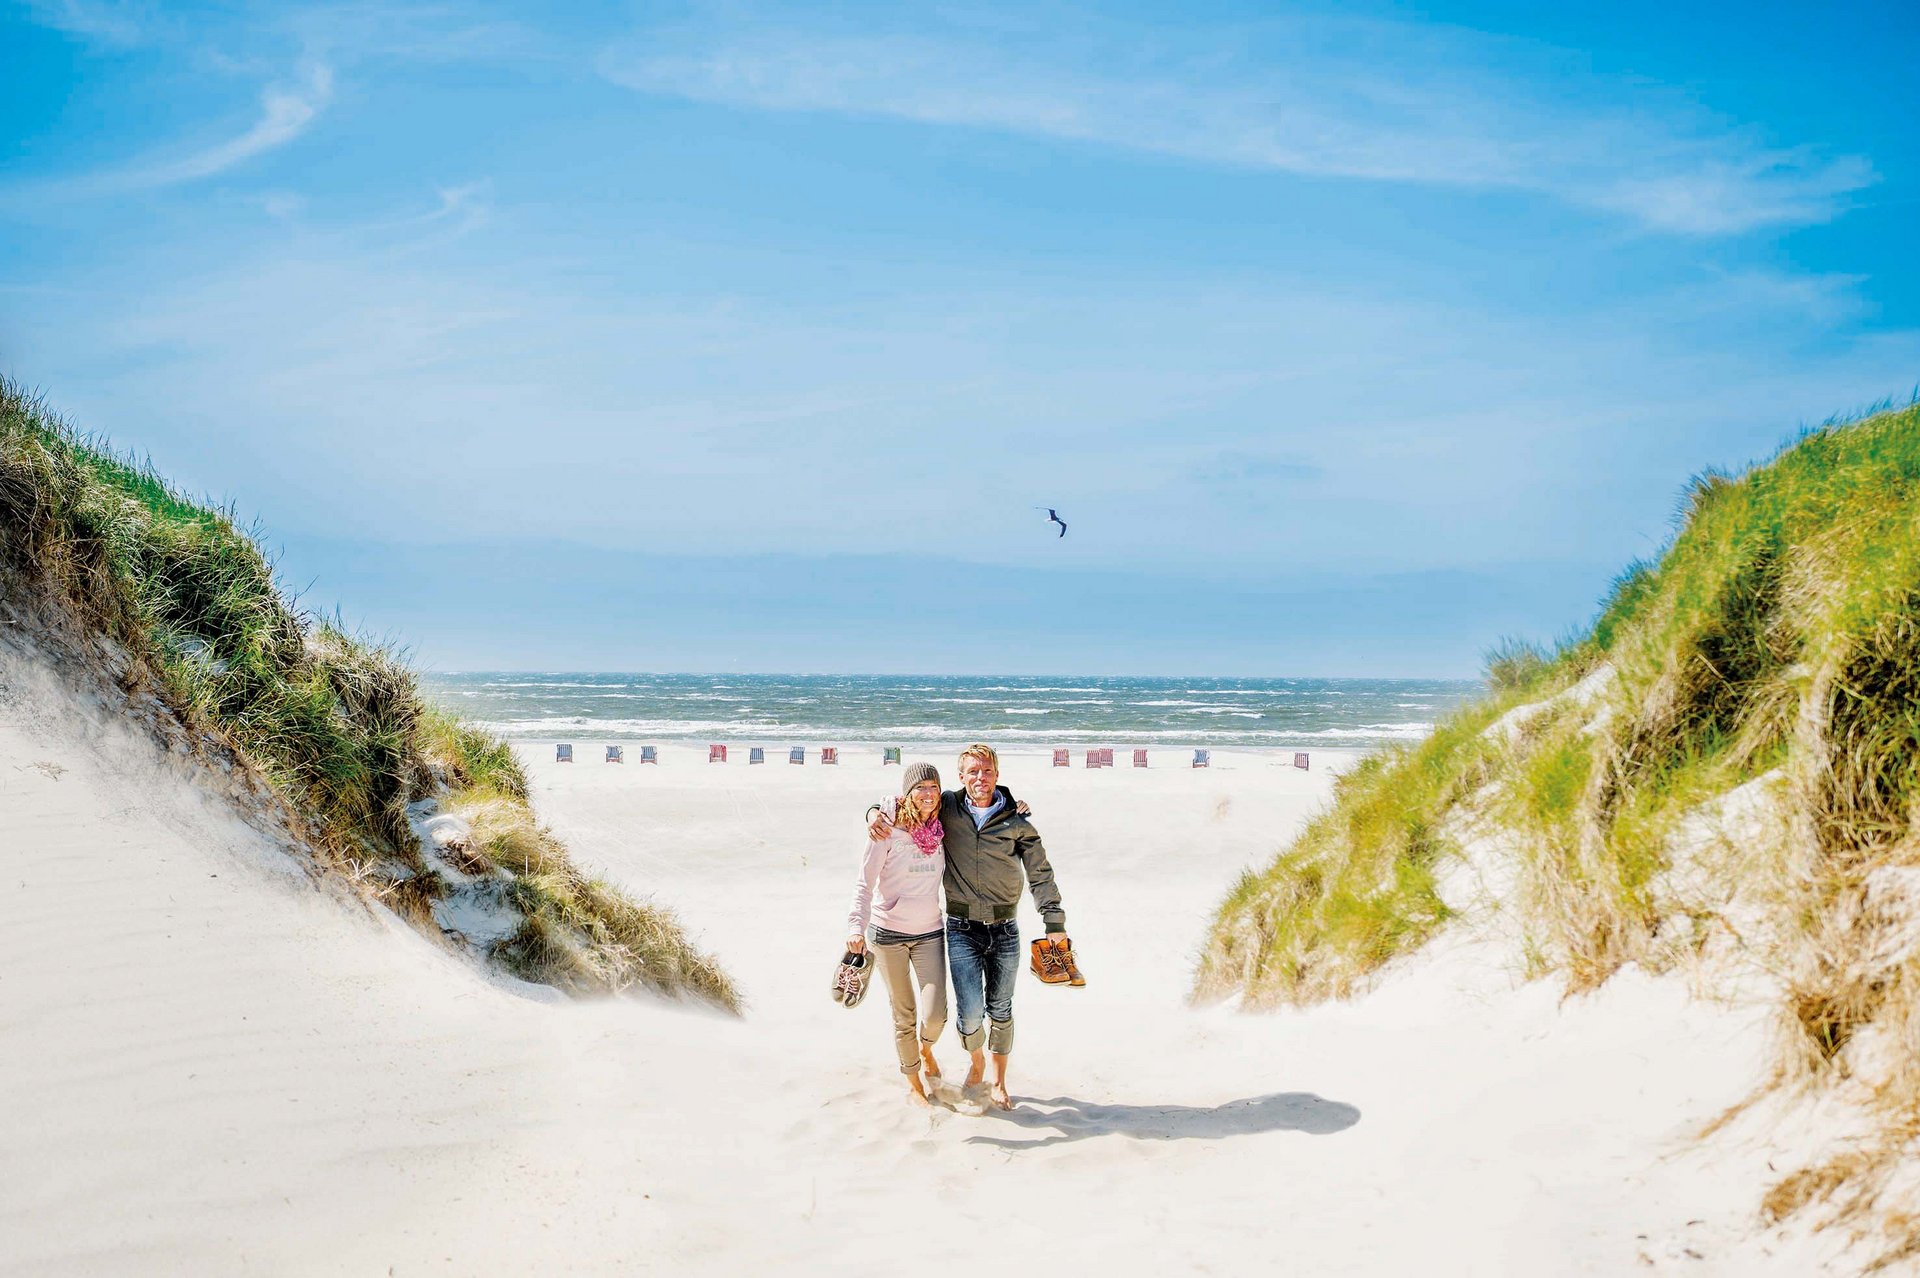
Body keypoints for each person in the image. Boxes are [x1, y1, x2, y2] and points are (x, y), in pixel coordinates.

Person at [870, 743, 1080, 1111]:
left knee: (1001, 1008)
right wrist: (873, 812)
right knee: (969, 1013)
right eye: (972, 772)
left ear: (997, 774)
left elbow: (1040, 873)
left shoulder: (1016, 821)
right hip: (961, 928)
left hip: (1005, 929)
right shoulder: (948, 807)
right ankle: (976, 1060)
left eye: (987, 771)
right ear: (961, 777)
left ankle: (998, 1080)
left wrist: (1054, 921)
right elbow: (907, 800)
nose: (980, 777)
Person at [847, 762, 949, 1106]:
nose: (928, 794)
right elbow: (864, 883)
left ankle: (926, 1048)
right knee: (904, 1015)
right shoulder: (886, 829)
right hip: (887, 934)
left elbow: (978, 802)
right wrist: (855, 927)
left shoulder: (943, 826)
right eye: (920, 787)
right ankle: (914, 1082)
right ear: (907, 793)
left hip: (930, 932)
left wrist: (1013, 803)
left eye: (933, 787)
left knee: (935, 1015)